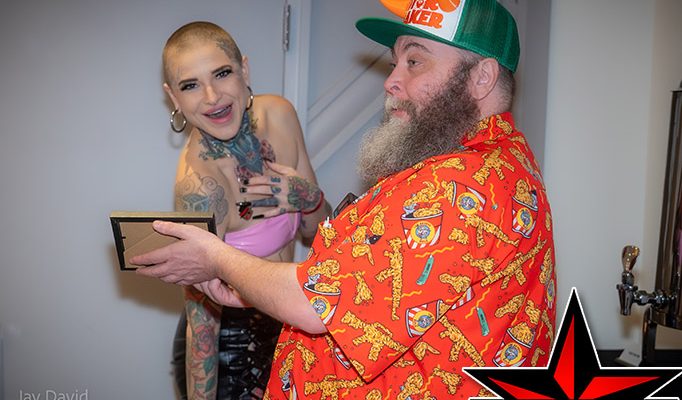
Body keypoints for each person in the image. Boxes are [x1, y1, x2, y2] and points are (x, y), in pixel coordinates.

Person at [135, 1, 557, 398]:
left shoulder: (462, 184)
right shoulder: (471, 163)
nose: (390, 81)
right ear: (174, 96)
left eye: (414, 61)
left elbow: (316, 302)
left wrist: (220, 257)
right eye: (394, 64)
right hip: (238, 343)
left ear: (482, 77)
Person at [160, 21, 330, 399]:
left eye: (222, 74)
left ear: (245, 71)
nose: (212, 97)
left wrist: (309, 199)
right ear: (174, 98)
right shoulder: (199, 185)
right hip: (230, 350)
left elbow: (317, 233)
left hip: (288, 325)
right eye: (190, 85)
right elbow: (202, 321)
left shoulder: (281, 115)